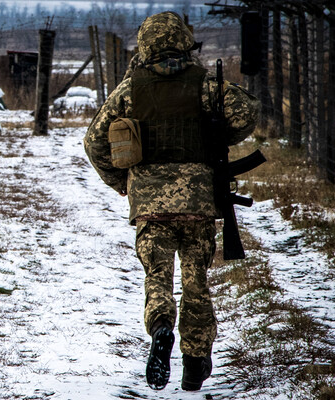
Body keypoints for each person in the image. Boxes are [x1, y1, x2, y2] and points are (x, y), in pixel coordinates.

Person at [84, 12, 260, 391]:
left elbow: (94, 141)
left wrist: (121, 182)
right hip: (198, 201)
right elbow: (247, 114)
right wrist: (219, 133)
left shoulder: (131, 87)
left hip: (149, 204)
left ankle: (161, 326)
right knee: (196, 282)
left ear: (145, 44)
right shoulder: (204, 83)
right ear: (184, 41)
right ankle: (195, 363)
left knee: (157, 277)